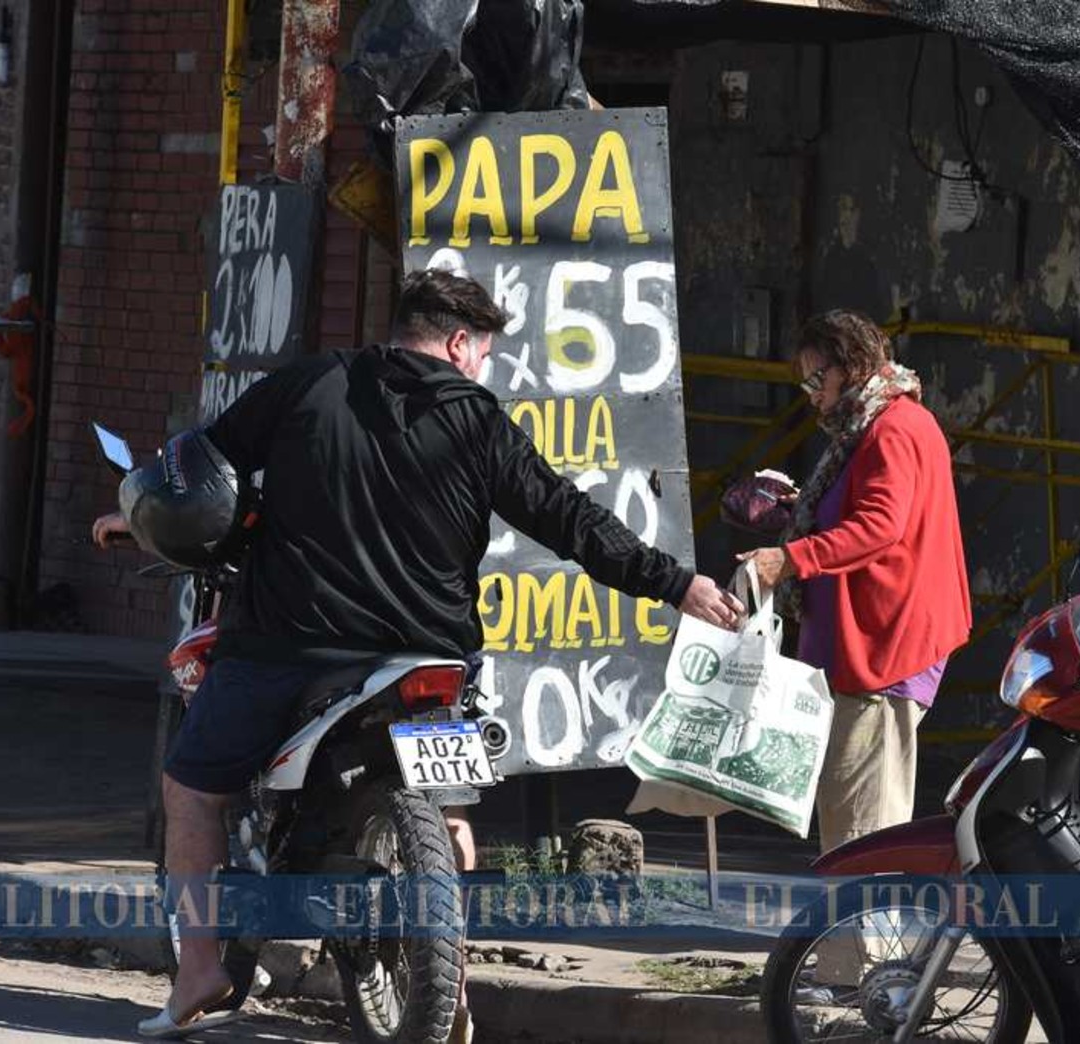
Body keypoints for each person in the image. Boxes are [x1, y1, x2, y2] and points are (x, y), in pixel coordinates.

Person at [93, 270, 744, 1037]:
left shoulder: (312, 383)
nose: (481, 369)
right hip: (428, 659)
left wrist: (137, 517)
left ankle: (200, 967)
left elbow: (202, 472)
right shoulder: (479, 420)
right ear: (459, 343)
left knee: (193, 788)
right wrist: (677, 586)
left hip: (293, 643)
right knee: (451, 809)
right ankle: (451, 988)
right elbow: (568, 519)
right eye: (483, 354)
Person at [738, 310, 972, 856]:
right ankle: (857, 934)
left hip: (885, 646)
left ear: (854, 366)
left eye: (817, 378)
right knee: (854, 805)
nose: (811, 393)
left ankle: (863, 938)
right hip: (868, 643)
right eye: (806, 381)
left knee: (864, 822)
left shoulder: (892, 429)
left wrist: (791, 557)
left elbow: (879, 526)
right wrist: (803, 513)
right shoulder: (874, 424)